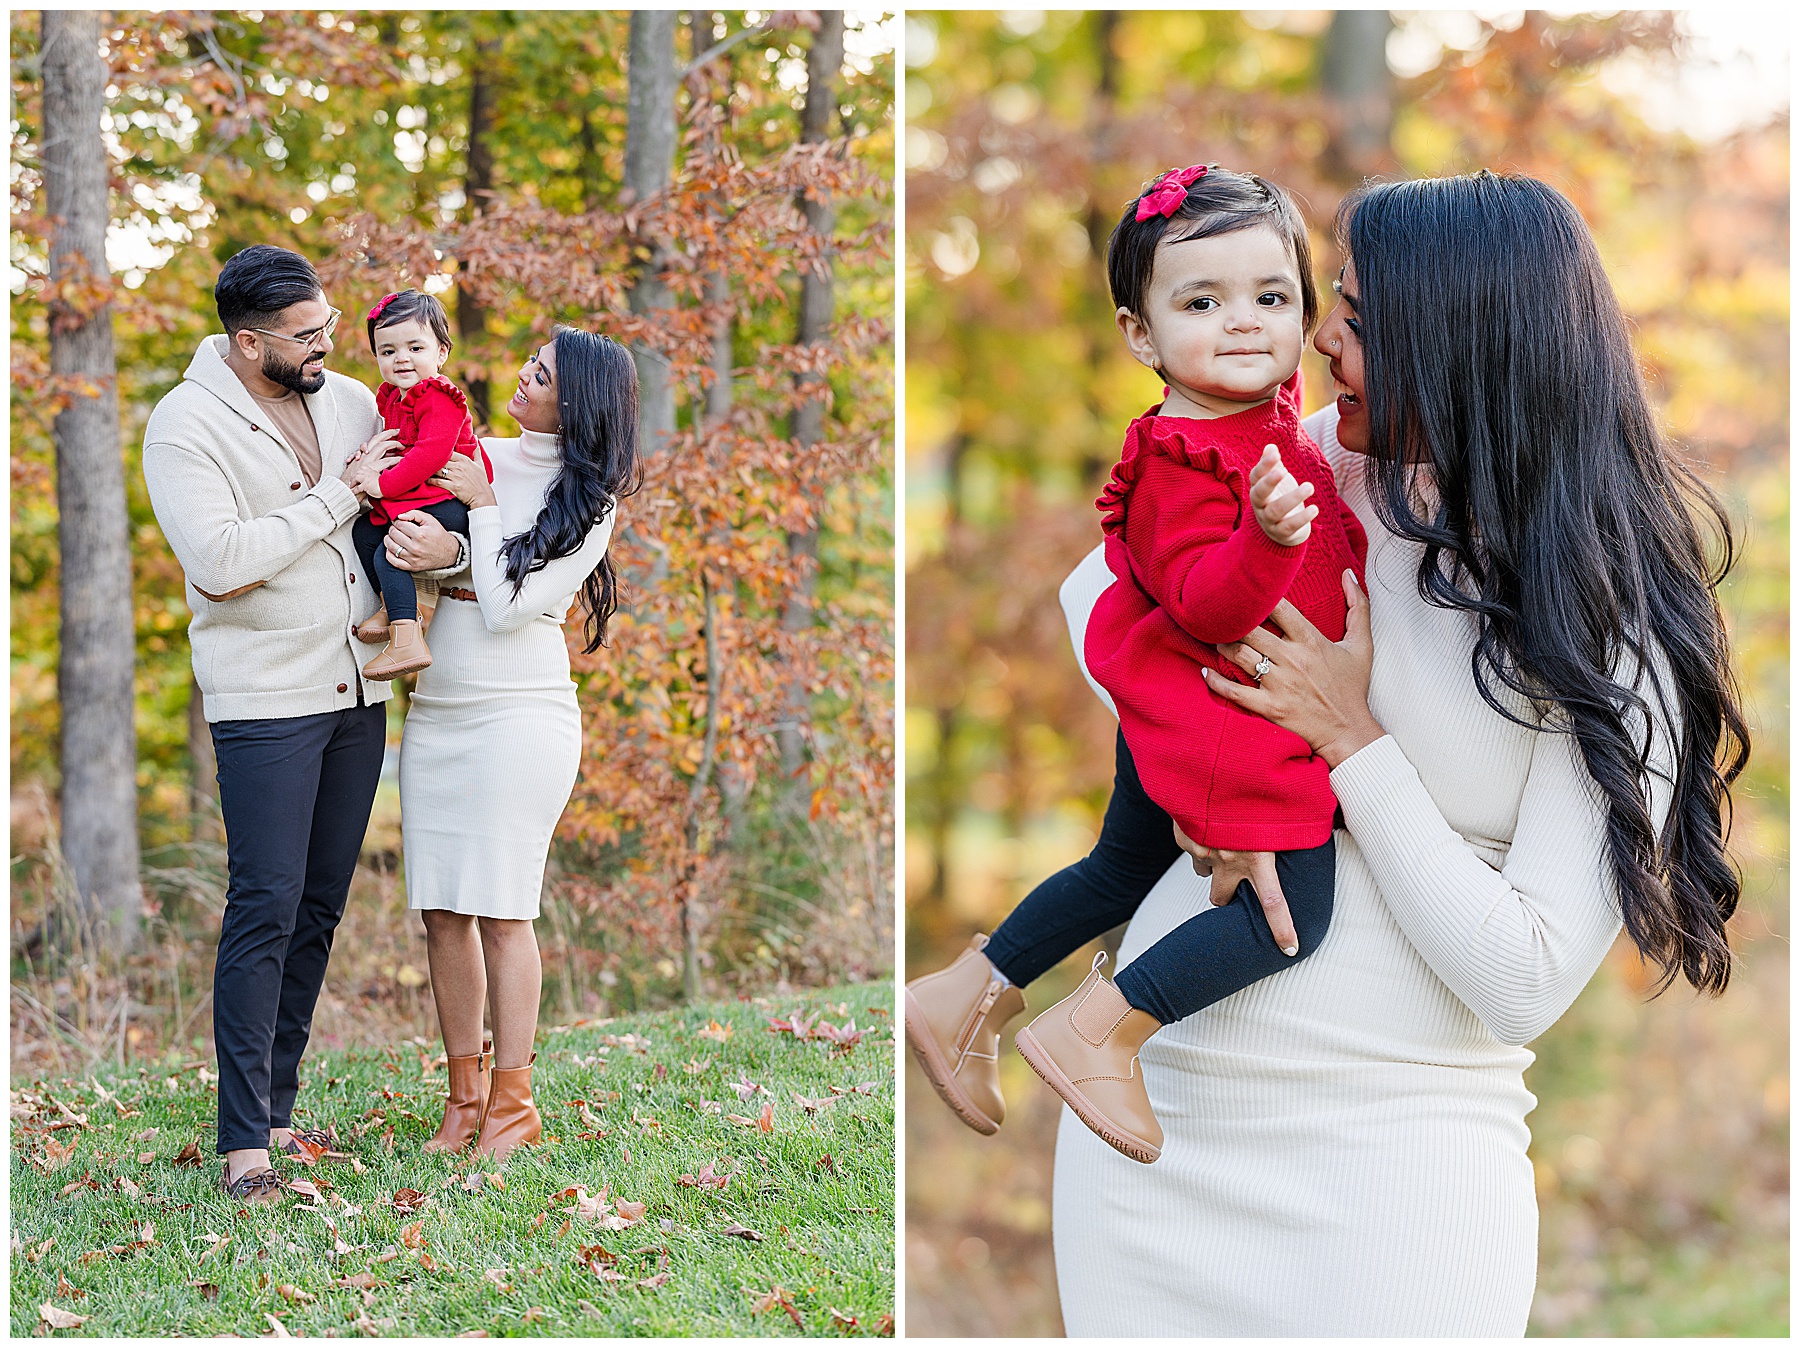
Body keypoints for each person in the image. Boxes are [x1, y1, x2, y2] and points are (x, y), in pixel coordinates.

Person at [1048, 171, 1748, 1335]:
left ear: (1464, 341)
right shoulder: (1315, 466)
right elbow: (1097, 606)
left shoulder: (1612, 611)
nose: (1315, 337)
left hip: (1403, 1168)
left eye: (1361, 321)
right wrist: (1197, 769)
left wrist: (1351, 742)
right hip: (1162, 1140)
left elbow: (1523, 978)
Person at [905, 167, 1367, 1165]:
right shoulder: (1184, 458)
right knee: (1293, 915)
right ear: (1141, 337)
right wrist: (1269, 541)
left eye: (1271, 297)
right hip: (1220, 713)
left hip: (1183, 693)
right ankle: (1104, 1025)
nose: (1244, 323)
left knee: (1123, 862)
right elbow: (1206, 596)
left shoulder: (1264, 414)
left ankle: (963, 992)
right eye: (1202, 301)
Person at [140, 246, 455, 1202]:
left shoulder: (351, 398)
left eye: (328, 325)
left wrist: (434, 554)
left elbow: (401, 501)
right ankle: (244, 1151)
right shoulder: (185, 426)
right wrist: (337, 494)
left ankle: (276, 1111)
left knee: (318, 907)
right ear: (247, 342)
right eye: (306, 335)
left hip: (356, 691)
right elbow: (223, 561)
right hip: (265, 701)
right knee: (264, 907)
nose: (328, 345)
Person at [356, 328, 639, 1160]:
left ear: (575, 398)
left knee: (504, 911)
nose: (522, 374)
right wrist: (429, 546)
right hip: (442, 703)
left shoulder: (593, 499)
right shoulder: (475, 449)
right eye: (530, 363)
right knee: (442, 910)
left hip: (521, 711)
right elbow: (441, 560)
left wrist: (475, 519)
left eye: (542, 374)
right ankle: (463, 1098)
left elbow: (515, 604)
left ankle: (514, 1103)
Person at [349, 289, 493, 680]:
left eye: (415, 347)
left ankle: (407, 642)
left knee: (392, 550)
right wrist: (368, 454)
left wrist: (381, 484)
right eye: (388, 351)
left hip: (446, 499)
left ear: (441, 352)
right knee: (364, 532)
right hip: (420, 493)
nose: (402, 359)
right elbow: (399, 442)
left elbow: (429, 454)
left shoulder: (440, 397)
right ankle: (397, 609)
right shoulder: (396, 398)